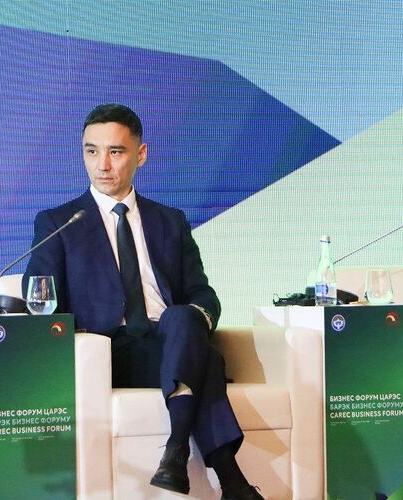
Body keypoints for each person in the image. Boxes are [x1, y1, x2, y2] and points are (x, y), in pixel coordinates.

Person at [24, 103, 263, 500]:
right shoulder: (59, 223)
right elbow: (42, 299)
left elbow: (202, 293)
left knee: (184, 318)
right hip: (109, 350)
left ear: (141, 154)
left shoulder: (170, 221)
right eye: (91, 151)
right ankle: (228, 479)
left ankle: (178, 455)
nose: (102, 165)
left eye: (115, 151)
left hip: (168, 339)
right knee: (206, 360)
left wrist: (195, 318)